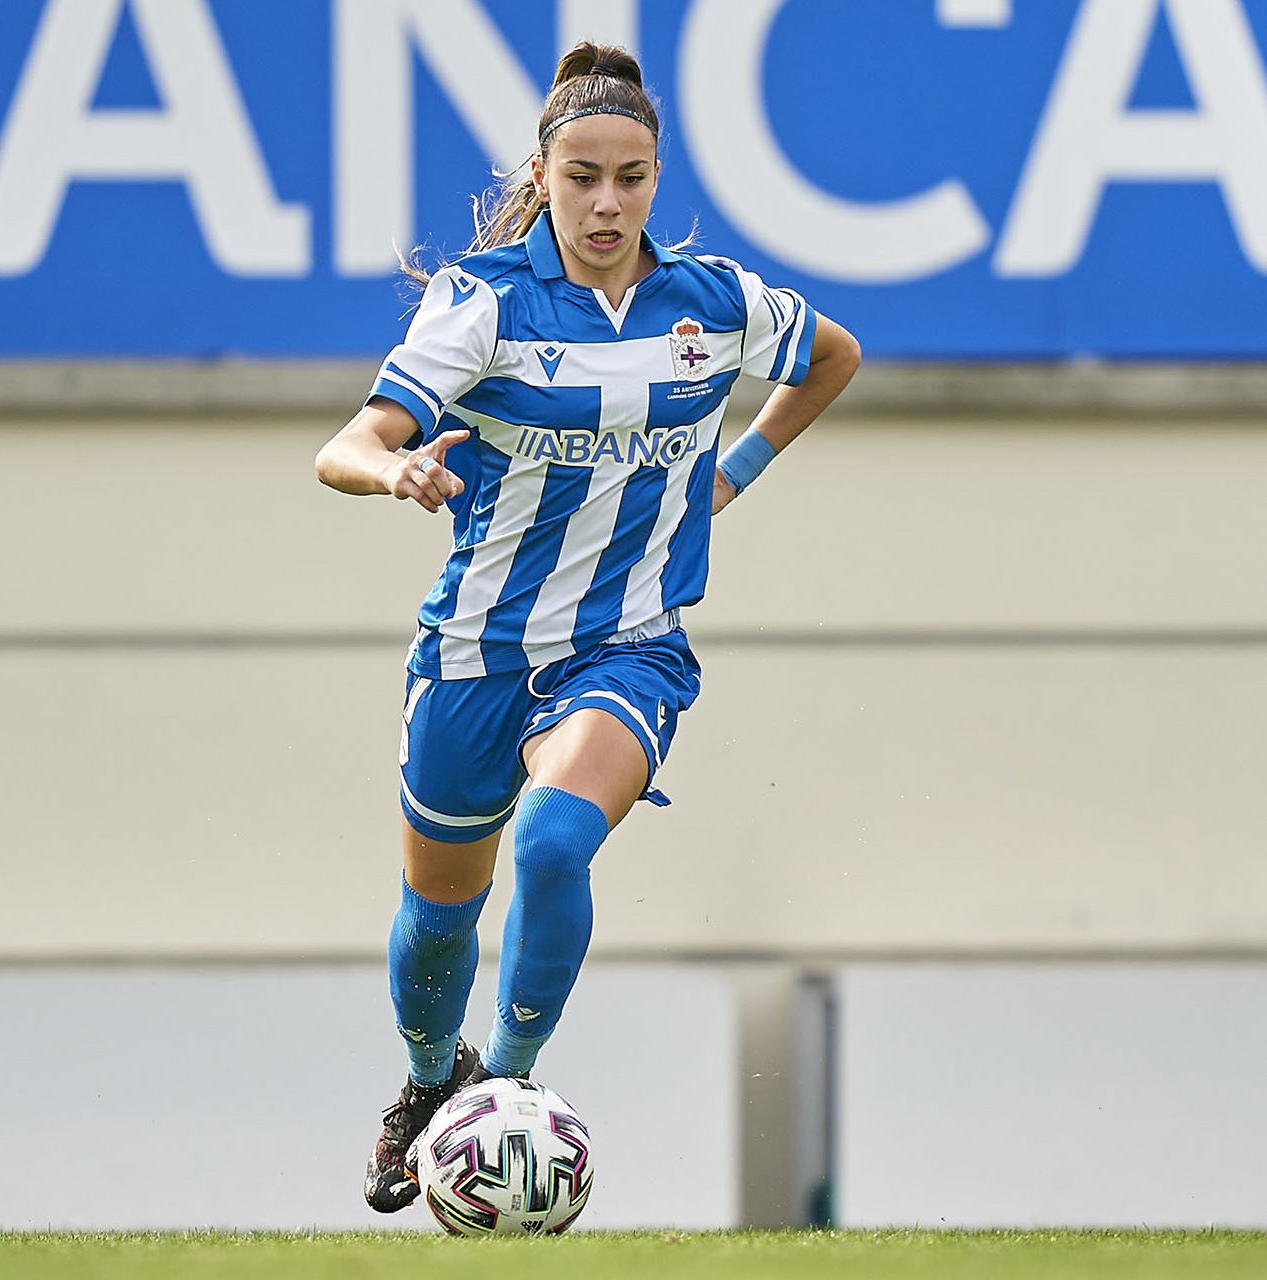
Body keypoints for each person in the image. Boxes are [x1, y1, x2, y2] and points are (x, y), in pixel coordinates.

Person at [313, 40, 861, 1215]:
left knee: (555, 844)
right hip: (475, 653)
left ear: (657, 176)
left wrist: (737, 469)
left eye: (632, 176)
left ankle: (497, 1095)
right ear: (544, 175)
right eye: (583, 177)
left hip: (628, 646)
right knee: (436, 920)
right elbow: (344, 444)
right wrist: (394, 476)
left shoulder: (713, 303)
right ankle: (427, 1079)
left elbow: (831, 356)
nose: (608, 203)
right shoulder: (487, 302)